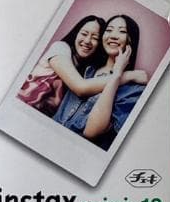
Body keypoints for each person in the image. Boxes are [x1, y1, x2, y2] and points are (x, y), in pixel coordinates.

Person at [54, 14, 148, 148]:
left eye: (122, 31)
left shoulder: (134, 91)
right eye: (109, 30)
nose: (113, 35)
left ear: (131, 41)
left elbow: (91, 132)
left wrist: (117, 75)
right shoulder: (84, 68)